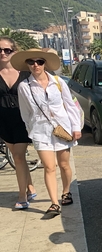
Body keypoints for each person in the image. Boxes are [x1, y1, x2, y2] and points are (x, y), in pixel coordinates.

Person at [14, 48, 82, 218]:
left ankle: (66, 192)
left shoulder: (58, 82)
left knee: (64, 165)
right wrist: (32, 131)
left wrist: (75, 128)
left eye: (39, 62)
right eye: (31, 62)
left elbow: (70, 105)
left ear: (45, 64)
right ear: (27, 65)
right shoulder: (24, 87)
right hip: (40, 131)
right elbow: (25, 113)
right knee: (49, 167)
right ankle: (54, 203)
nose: (35, 65)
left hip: (62, 128)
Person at [0, 36, 37, 210]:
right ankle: (30, 187)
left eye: (7, 50)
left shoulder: (25, 72)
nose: (2, 53)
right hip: (2, 121)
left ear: (14, 52)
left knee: (18, 157)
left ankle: (22, 196)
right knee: (17, 156)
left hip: (22, 120)